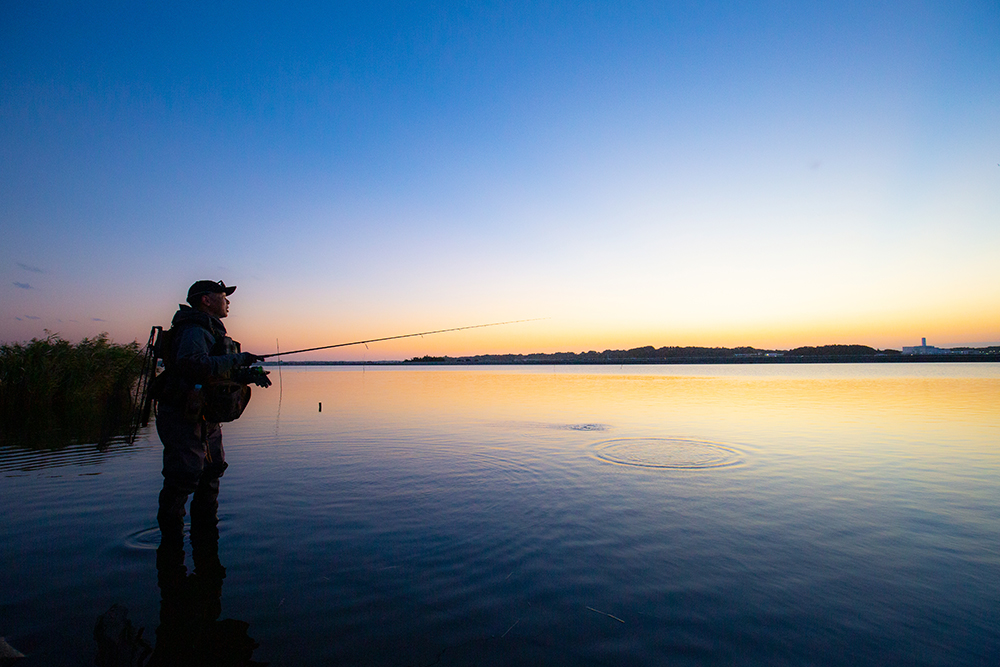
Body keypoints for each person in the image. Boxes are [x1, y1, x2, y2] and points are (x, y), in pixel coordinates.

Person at [154, 280, 270, 572]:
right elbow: (192, 365)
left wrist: (248, 374)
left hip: (205, 418)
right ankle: (171, 547)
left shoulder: (208, 329)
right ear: (205, 300)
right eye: (223, 296)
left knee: (211, 473)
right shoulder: (194, 329)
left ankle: (205, 539)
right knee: (184, 477)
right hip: (183, 417)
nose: (228, 302)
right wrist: (239, 358)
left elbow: (214, 374)